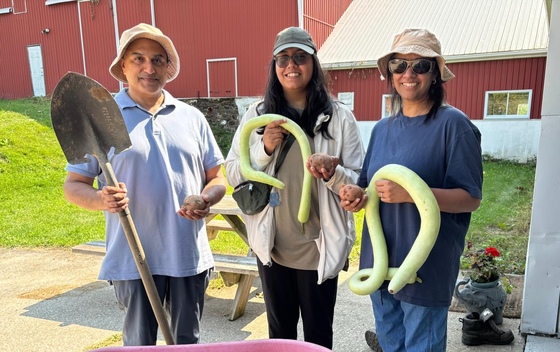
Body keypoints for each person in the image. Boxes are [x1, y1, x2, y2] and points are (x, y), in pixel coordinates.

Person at [63, 23, 226, 345]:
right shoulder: (100, 118)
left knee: (187, 343)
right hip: (132, 257)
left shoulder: (191, 117)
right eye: (138, 59)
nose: (148, 68)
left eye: (158, 60)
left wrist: (207, 198)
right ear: (122, 66)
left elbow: (217, 177)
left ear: (168, 67)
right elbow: (73, 185)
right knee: (139, 345)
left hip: (187, 254)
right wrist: (100, 200)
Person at [340, 28, 483, 351]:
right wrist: (356, 197)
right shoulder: (381, 129)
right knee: (391, 344)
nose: (408, 73)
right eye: (399, 65)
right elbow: (368, 189)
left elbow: (470, 198)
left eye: (420, 65)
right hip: (380, 261)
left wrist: (413, 194)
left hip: (425, 267)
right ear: (389, 72)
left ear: (435, 74)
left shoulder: (454, 126)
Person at [225, 26, 365, 349]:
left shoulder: (339, 118)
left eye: (300, 57)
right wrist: (265, 150)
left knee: (318, 338)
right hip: (273, 250)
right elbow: (233, 172)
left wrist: (334, 173)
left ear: (314, 63)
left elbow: (359, 181)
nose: (292, 65)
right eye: (283, 58)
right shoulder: (257, 117)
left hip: (320, 251)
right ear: (274, 66)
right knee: (280, 338)